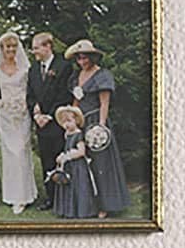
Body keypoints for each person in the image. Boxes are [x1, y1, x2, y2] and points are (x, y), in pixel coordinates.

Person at [65, 40, 132, 218]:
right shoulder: (76, 76)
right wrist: (72, 119)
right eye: (79, 58)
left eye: (85, 57)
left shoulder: (102, 75)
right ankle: (88, 205)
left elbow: (104, 103)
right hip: (81, 121)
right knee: (83, 163)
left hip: (95, 122)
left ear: (92, 57)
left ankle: (105, 205)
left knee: (100, 163)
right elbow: (76, 101)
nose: (82, 61)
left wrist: (100, 128)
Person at [0, 31, 34, 215]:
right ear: (2, 48)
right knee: (10, 155)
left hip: (22, 115)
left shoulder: (25, 68)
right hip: (5, 117)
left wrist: (25, 103)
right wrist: (3, 103)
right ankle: (13, 196)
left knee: (21, 152)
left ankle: (25, 196)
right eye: (8, 46)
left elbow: (32, 90)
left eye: (14, 46)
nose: (11, 49)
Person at [27, 33, 73, 211]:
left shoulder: (64, 66)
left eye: (36, 48)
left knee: (61, 160)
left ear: (48, 47)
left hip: (58, 122)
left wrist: (50, 115)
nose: (34, 52)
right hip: (41, 124)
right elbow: (30, 95)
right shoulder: (33, 70)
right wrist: (36, 112)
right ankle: (51, 198)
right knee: (46, 161)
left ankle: (65, 199)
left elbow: (64, 94)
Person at [47, 105, 94, 219]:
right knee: (67, 185)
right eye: (64, 122)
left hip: (77, 166)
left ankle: (81, 210)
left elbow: (81, 152)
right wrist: (61, 156)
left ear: (76, 120)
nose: (66, 124)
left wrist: (68, 156)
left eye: (69, 121)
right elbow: (67, 148)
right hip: (69, 166)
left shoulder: (78, 134)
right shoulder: (67, 134)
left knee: (78, 187)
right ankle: (68, 210)